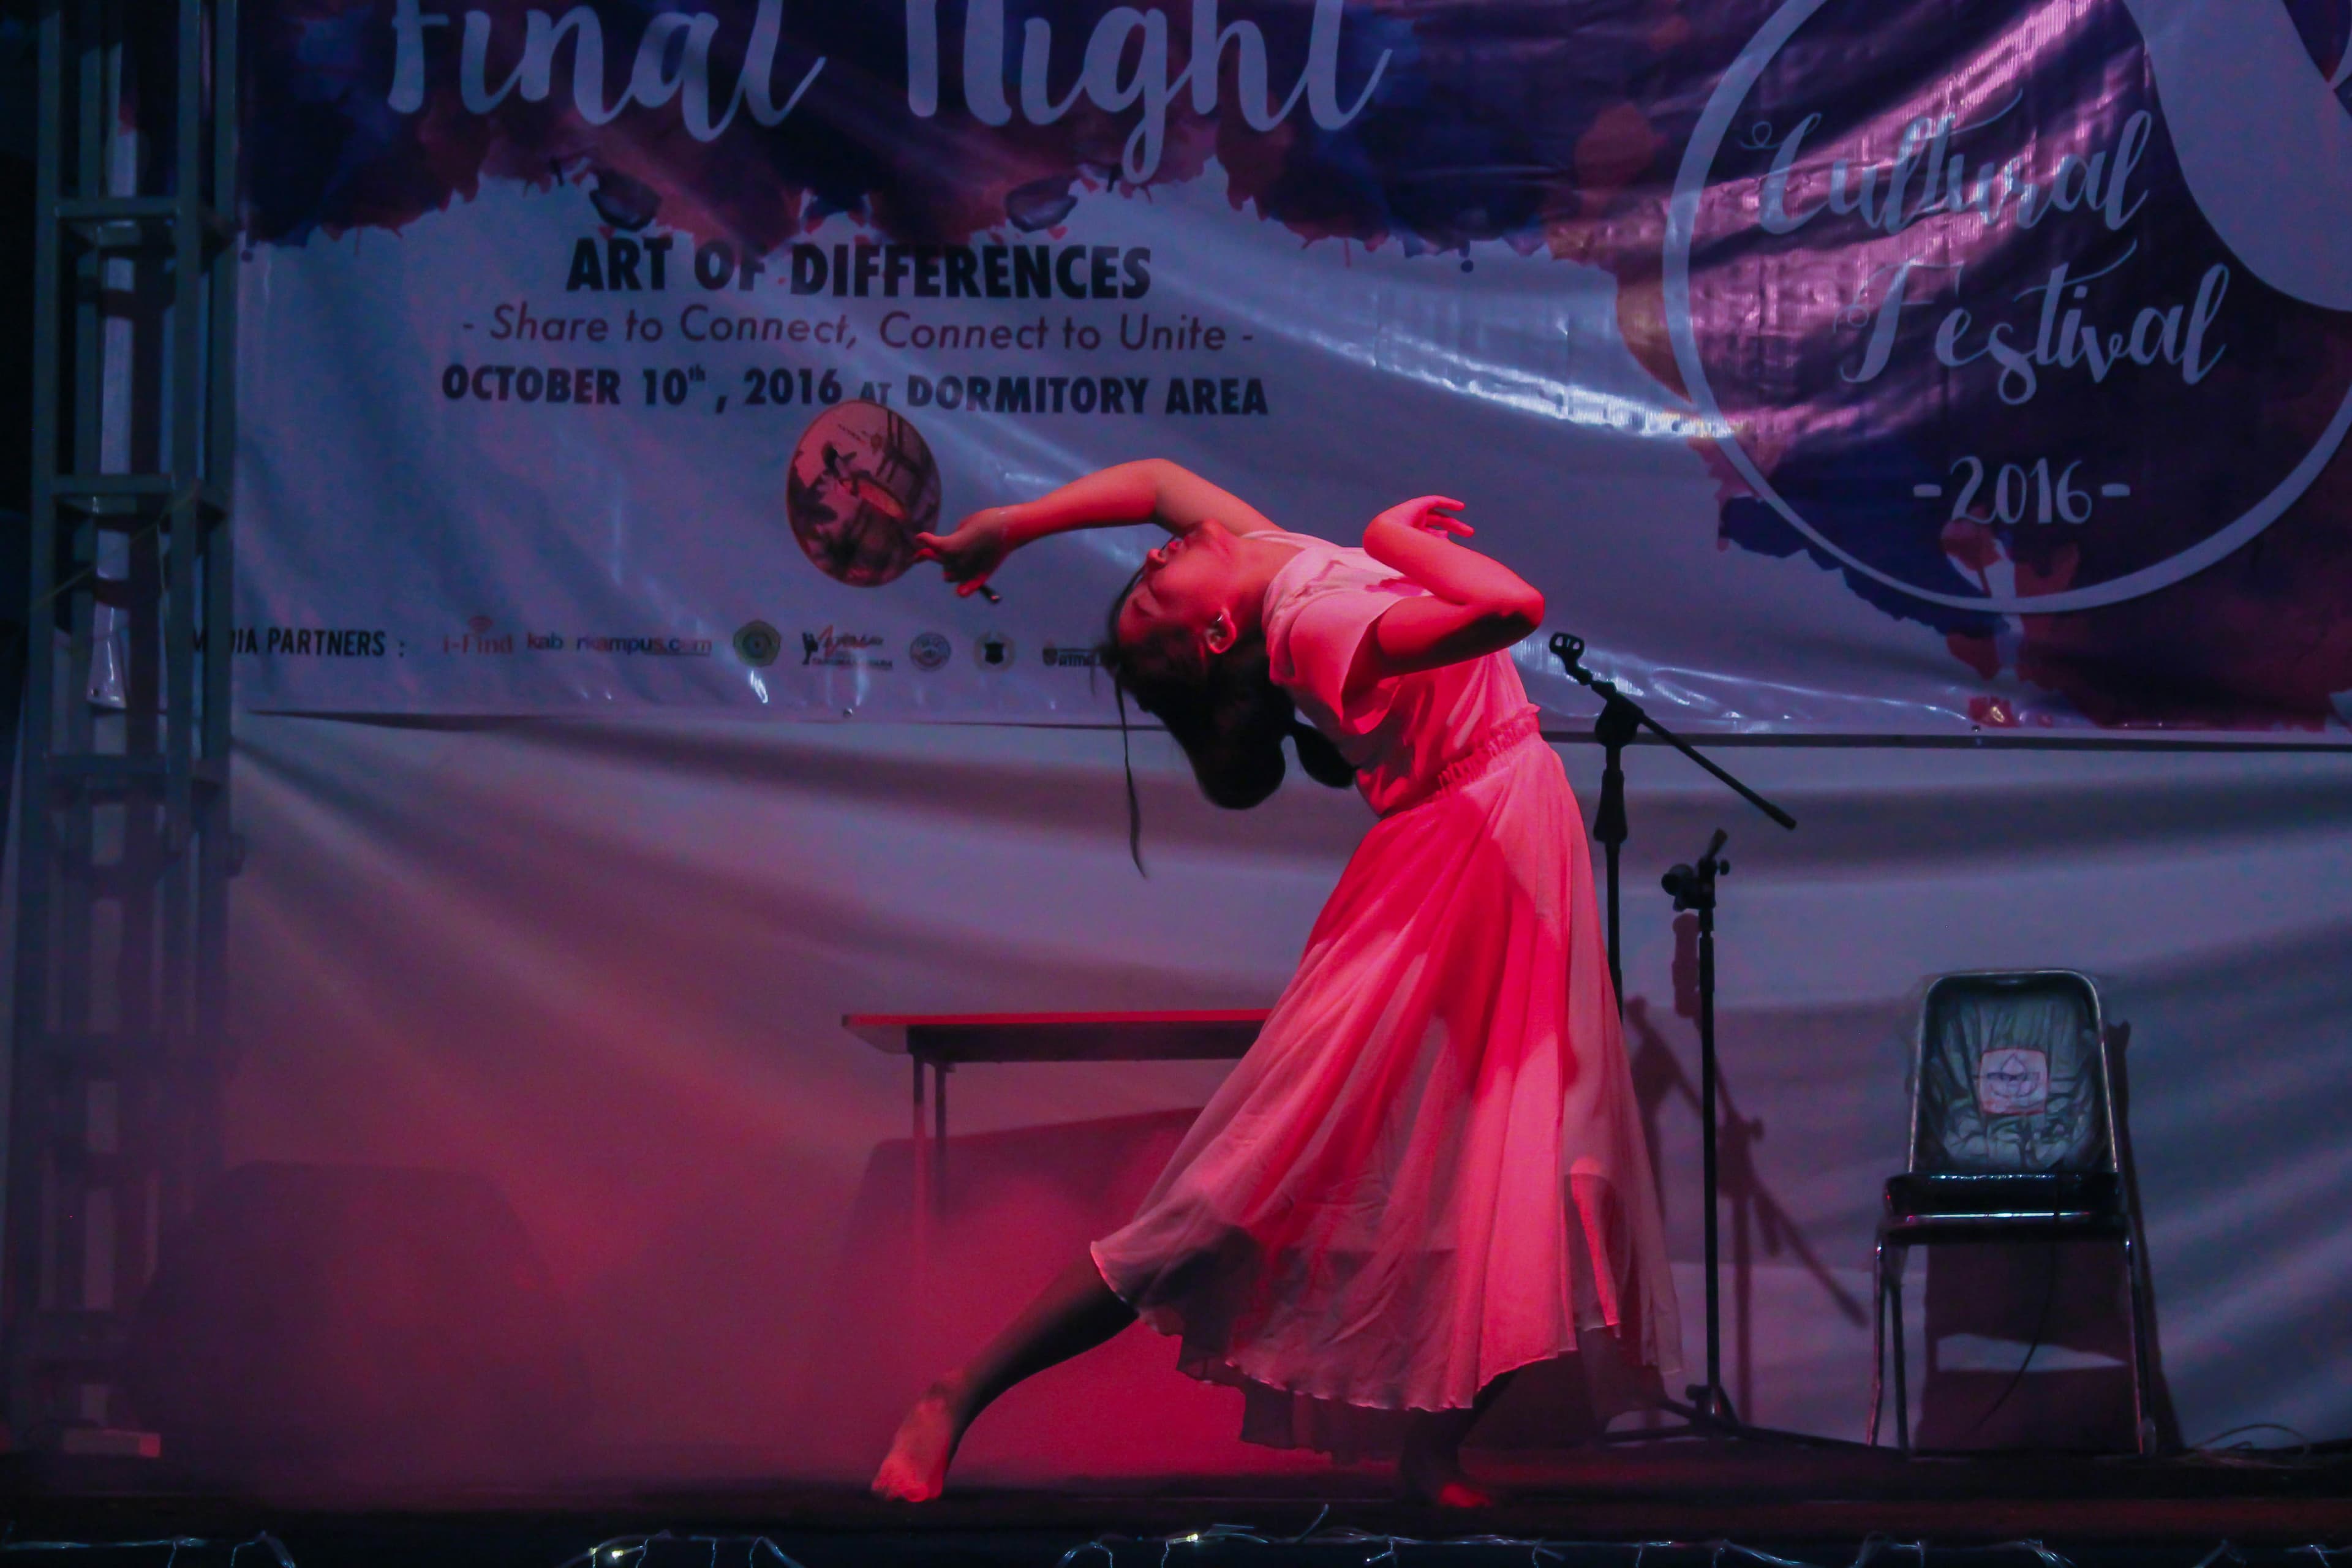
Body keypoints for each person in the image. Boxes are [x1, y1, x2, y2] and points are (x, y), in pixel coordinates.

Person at [871, 459, 1680, 1505]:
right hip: (1445, 869)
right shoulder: (1309, 626)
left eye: (1145, 575)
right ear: (1218, 634)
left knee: (1527, 1172)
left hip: (1513, 840)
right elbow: (1510, 609)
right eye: (1154, 593)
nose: (1154, 559)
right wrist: (1393, 538)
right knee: (1227, 1194)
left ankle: (1432, 1448)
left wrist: (1016, 527)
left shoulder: (1265, 561)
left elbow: (1156, 483)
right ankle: (958, 1393)